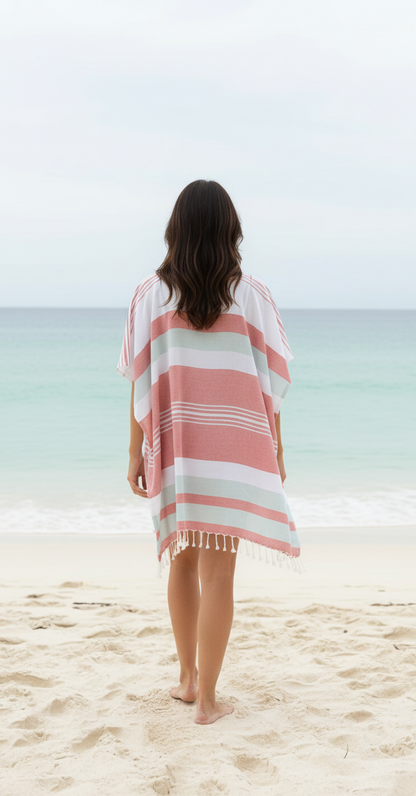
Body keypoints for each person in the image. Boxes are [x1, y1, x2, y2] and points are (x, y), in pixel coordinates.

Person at [117, 180, 303, 725]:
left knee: (181, 557)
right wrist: (276, 448)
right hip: (236, 451)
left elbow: (139, 380)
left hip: (177, 449)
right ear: (230, 230)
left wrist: (136, 450)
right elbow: (270, 383)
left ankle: (187, 680)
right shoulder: (254, 295)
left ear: (175, 230)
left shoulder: (149, 295)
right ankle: (211, 701)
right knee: (220, 572)